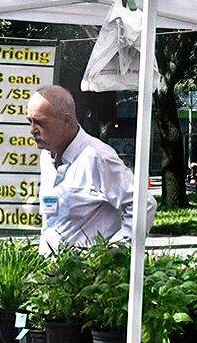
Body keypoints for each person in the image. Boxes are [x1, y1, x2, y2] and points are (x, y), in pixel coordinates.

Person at [26, 85, 156, 254]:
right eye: (30, 121)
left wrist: (111, 253)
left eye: (40, 122)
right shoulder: (47, 157)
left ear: (66, 120)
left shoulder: (97, 157)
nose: (32, 130)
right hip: (52, 272)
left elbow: (144, 205)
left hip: (87, 275)